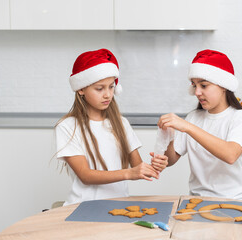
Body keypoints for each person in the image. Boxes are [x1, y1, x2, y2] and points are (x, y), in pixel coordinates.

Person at [55, 49, 168, 206]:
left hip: (118, 207)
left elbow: (137, 166)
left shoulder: (121, 123)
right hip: (81, 208)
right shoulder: (68, 126)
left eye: (111, 87)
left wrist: (155, 167)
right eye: (99, 89)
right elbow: (85, 176)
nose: (107, 94)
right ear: (81, 89)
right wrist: (129, 173)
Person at [156, 49, 242, 201]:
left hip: (234, 201)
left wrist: (188, 127)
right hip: (196, 200)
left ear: (223, 85)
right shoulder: (193, 117)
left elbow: (230, 155)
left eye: (204, 85)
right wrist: (168, 137)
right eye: (194, 85)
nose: (197, 92)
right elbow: (171, 159)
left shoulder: (239, 118)